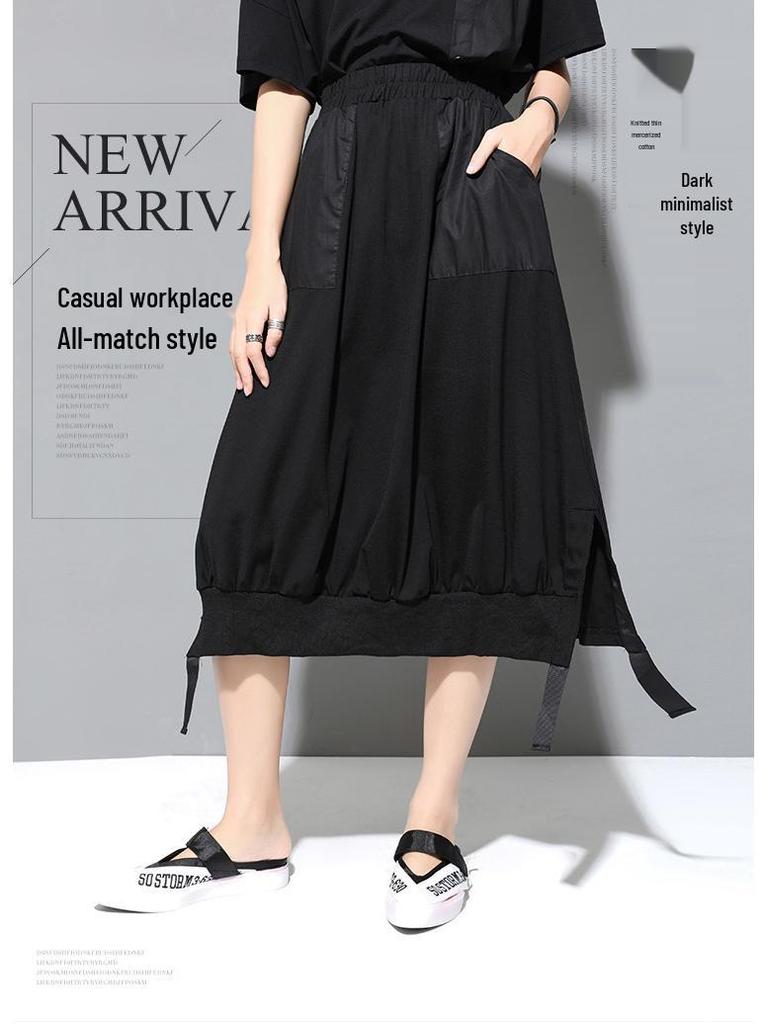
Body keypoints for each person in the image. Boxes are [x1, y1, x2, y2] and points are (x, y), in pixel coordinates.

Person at [98, 0, 695, 926]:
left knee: (470, 486)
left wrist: (534, 127)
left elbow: (553, 59)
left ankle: (433, 817)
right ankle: (251, 823)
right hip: (338, 189)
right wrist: (261, 256)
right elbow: (285, 83)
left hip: (477, 189)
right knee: (258, 498)